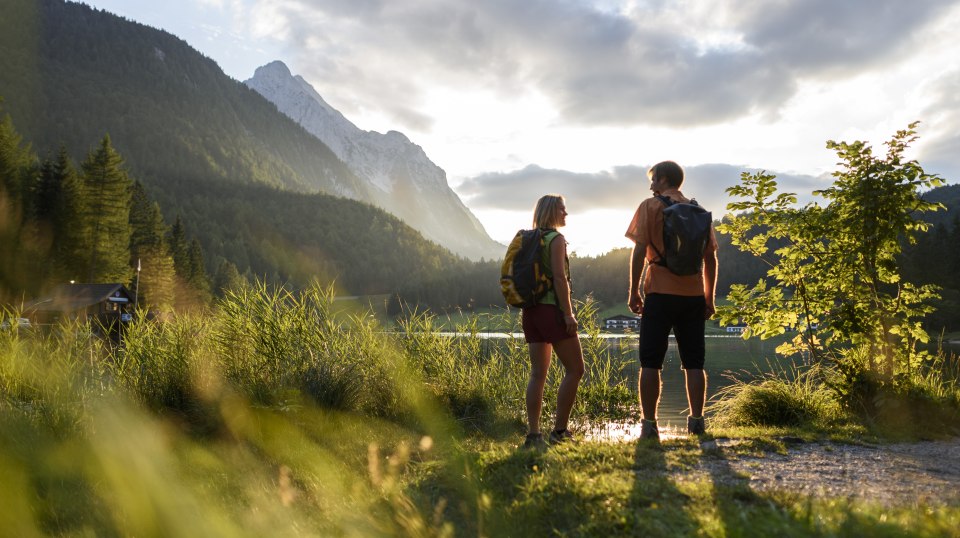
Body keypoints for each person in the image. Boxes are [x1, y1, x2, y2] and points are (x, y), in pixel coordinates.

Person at [625, 161, 718, 441]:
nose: (651, 185)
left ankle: (650, 425)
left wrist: (633, 290)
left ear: (664, 179)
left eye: (653, 179)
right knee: (694, 362)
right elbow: (710, 258)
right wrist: (709, 297)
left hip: (659, 292)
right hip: (692, 295)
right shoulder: (698, 211)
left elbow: (640, 250)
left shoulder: (650, 207)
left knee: (650, 361)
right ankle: (697, 422)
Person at [521, 194, 585, 450]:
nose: (566, 214)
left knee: (537, 374)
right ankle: (559, 431)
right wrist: (568, 314)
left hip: (531, 311)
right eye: (562, 209)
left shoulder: (529, 239)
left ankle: (533, 435)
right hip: (551, 310)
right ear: (552, 212)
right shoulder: (555, 239)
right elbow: (560, 278)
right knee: (576, 369)